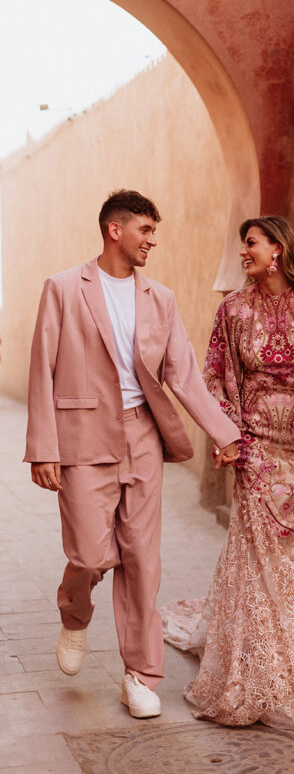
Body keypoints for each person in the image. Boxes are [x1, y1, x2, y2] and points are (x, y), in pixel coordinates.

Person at [25, 189, 240, 719]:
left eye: (154, 231)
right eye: (145, 230)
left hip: (141, 436)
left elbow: (182, 373)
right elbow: (41, 370)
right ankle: (74, 614)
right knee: (91, 554)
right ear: (114, 230)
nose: (153, 240)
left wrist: (223, 431)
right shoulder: (62, 289)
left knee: (143, 559)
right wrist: (42, 449)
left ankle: (140, 676)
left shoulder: (159, 298)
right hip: (81, 439)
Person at [162, 215, 294, 730]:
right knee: (260, 561)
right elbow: (215, 378)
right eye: (242, 245)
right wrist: (227, 437)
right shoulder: (233, 309)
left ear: (279, 248)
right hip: (255, 452)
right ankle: (263, 669)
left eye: (250, 243)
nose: (243, 253)